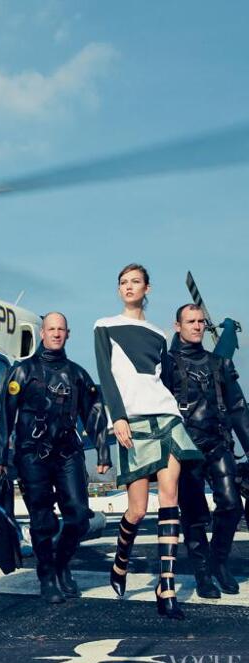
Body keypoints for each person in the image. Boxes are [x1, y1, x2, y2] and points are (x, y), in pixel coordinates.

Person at [94, 263, 202, 620]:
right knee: (137, 510)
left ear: (147, 288)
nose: (128, 287)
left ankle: (166, 584)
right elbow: (106, 377)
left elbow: (164, 381)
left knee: (169, 496)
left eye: (135, 282)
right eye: (123, 282)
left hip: (166, 416)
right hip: (132, 420)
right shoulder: (105, 326)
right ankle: (120, 560)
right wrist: (117, 418)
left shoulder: (158, 335)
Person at [0, 313, 108, 603]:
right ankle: (47, 575)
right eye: (51, 329)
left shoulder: (78, 374)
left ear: (68, 334)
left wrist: (103, 452)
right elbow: (4, 416)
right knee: (42, 519)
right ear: (42, 333)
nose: (56, 334)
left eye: (61, 329)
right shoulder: (22, 371)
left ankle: (61, 563)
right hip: (32, 455)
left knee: (79, 515)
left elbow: (93, 413)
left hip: (68, 453)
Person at [164, 303, 249, 598]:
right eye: (191, 321)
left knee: (231, 505)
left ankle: (219, 562)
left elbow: (238, 407)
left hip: (218, 443)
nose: (198, 326)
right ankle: (202, 574)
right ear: (178, 326)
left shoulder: (220, 364)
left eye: (201, 321)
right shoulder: (167, 364)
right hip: (185, 450)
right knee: (195, 514)